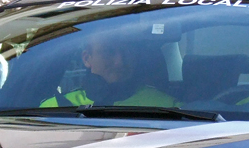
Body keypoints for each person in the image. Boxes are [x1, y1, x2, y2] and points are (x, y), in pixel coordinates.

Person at [41, 34, 175, 108]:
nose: (119, 62)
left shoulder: (170, 107)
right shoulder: (52, 108)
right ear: (87, 58)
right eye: (108, 52)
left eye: (127, 53)